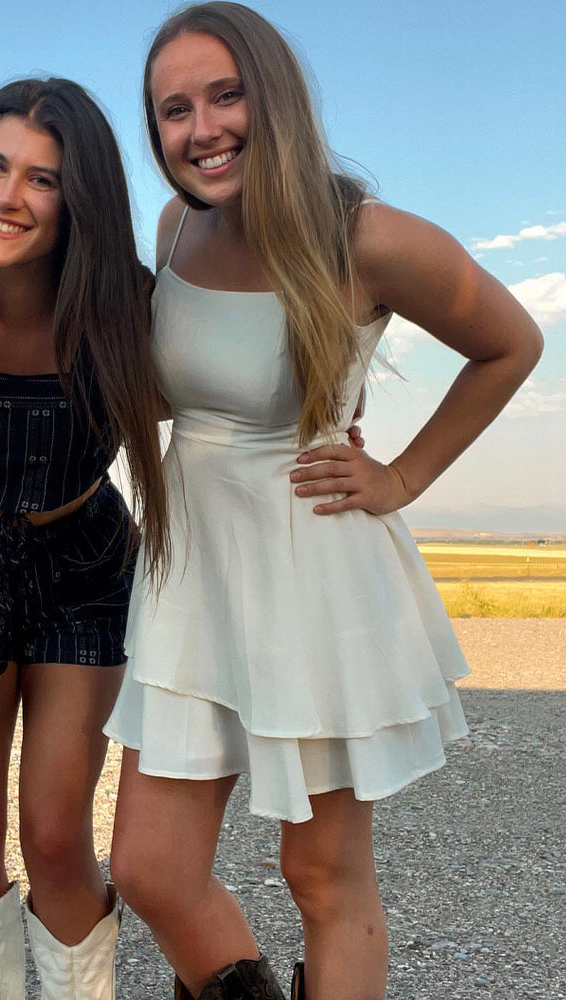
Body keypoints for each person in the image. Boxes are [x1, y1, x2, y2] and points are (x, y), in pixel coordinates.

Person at [103, 6, 544, 1000]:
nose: (203, 129)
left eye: (226, 95)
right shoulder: (175, 226)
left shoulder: (366, 236)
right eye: (174, 109)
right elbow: (186, 387)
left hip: (312, 575)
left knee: (321, 875)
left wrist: (401, 478)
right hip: (191, 575)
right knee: (149, 866)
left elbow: (512, 344)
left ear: (276, 96)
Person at [0, 78, 169, 1000]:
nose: (7, 196)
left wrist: (336, 420)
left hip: (83, 572)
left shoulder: (130, 303)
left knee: (54, 832)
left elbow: (239, 382)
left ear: (79, 198)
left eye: (42, 179)